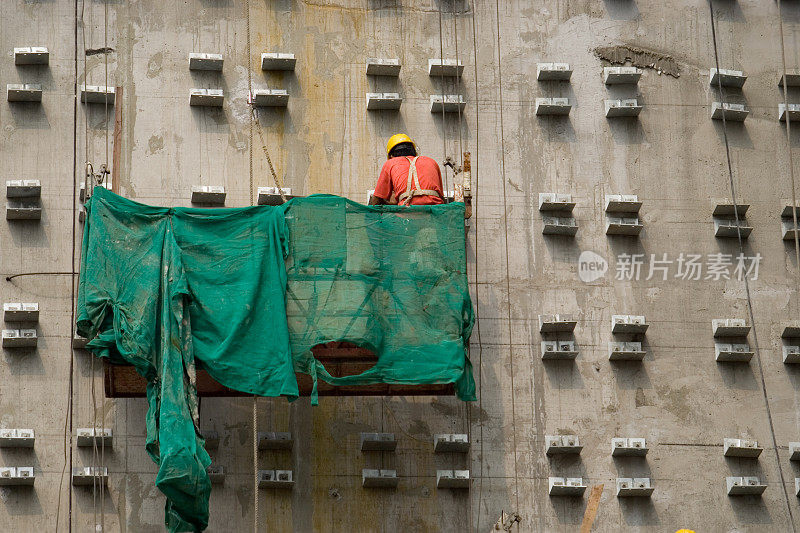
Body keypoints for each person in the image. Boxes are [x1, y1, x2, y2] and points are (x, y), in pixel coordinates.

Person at [369, 134, 445, 206]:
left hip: (407, 212)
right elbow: (441, 196)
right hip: (435, 211)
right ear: (414, 151)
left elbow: (377, 199)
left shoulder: (390, 163)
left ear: (391, 155)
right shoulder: (431, 161)